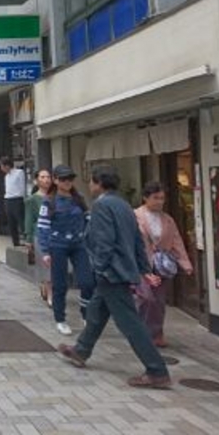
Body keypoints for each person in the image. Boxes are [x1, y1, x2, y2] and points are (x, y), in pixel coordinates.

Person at [57, 165, 171, 389]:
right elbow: (137, 239)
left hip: (112, 272)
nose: (89, 186)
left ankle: (157, 370)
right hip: (121, 269)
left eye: (91, 182)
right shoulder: (124, 205)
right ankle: (81, 350)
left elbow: (104, 241)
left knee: (130, 323)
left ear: (99, 183)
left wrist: (100, 268)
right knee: (96, 312)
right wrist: (142, 266)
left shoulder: (102, 206)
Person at [134, 181, 193, 348]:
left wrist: (185, 262)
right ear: (145, 198)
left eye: (162, 198)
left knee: (158, 301)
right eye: (155, 198)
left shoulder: (167, 220)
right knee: (145, 298)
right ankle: (140, 332)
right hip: (142, 263)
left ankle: (156, 333)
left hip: (161, 265)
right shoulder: (135, 216)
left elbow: (177, 241)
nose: (159, 201)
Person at [37, 165, 93, 336]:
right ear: (55, 180)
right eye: (63, 179)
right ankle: (60, 319)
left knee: (87, 282)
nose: (67, 182)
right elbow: (43, 226)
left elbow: (88, 220)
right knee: (60, 285)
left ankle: (86, 315)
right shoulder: (49, 201)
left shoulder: (79, 199)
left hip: (79, 244)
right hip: (57, 245)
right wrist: (45, 251)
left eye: (70, 179)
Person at [24, 168, 54, 305]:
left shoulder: (56, 197)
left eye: (48, 177)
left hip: (55, 234)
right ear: (36, 180)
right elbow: (29, 219)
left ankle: (46, 286)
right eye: (42, 177)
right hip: (40, 234)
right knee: (45, 264)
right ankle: (50, 293)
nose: (46, 180)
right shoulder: (32, 199)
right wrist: (28, 239)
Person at [0, 157, 26, 247]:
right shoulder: (6, 176)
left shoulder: (19, 173)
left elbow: (22, 187)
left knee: (21, 221)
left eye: (2, 166)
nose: (1, 169)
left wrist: (23, 198)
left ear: (7, 166)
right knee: (11, 223)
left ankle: (27, 241)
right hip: (8, 199)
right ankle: (15, 242)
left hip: (17, 199)